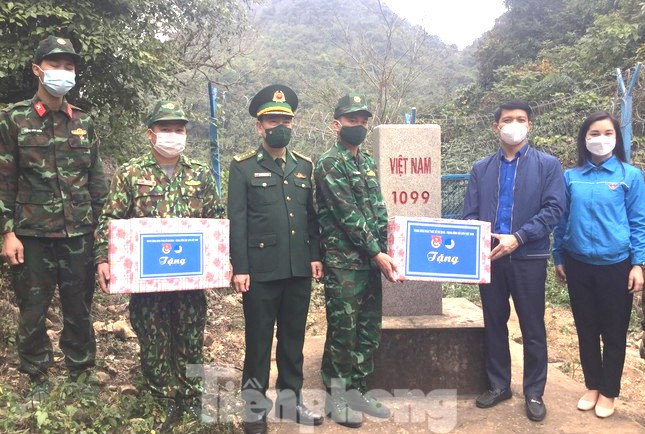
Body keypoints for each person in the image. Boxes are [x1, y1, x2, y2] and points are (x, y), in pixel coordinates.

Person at [94, 100, 223, 430]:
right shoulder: (130, 173)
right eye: (166, 129)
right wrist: (103, 258)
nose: (173, 135)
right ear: (150, 134)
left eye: (179, 130)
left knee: (190, 337)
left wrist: (224, 261)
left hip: (190, 278)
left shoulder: (201, 174)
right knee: (153, 338)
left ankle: (192, 397)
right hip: (146, 278)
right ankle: (163, 398)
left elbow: (216, 221)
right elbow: (110, 218)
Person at [0, 35, 108, 402]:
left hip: (79, 233)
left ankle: (81, 372)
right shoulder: (15, 119)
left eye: (69, 66)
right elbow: (5, 179)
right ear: (37, 70)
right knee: (33, 309)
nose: (63, 71)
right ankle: (36, 376)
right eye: (55, 65)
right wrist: (7, 232)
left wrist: (102, 235)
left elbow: (96, 182)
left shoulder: (83, 122)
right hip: (31, 235)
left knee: (79, 307)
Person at [228, 84, 323, 434]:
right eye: (272, 121)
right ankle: (254, 411)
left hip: (298, 268)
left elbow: (310, 217)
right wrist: (240, 267)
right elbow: (237, 221)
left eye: (285, 120)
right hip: (260, 272)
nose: (279, 127)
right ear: (259, 126)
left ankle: (290, 400)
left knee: (293, 339)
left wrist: (315, 256)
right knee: (258, 342)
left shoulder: (304, 166)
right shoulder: (242, 168)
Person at [462, 100, 565, 422]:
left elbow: (554, 209)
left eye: (521, 119)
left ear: (529, 125)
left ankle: (533, 391)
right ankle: (499, 385)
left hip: (528, 257)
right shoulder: (481, 168)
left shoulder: (548, 165)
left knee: (532, 326)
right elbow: (470, 214)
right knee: (494, 323)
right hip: (491, 258)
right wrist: (477, 242)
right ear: (496, 126)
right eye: (507, 120)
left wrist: (518, 237)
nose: (514, 124)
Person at [552, 111, 645, 418]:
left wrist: (638, 264)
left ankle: (609, 391)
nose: (600, 138)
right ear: (584, 138)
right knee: (586, 328)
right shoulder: (571, 177)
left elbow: (638, 222)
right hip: (578, 263)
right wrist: (559, 256)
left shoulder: (629, 176)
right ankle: (592, 385)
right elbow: (562, 220)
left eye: (607, 133)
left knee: (614, 331)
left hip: (616, 265)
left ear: (616, 138)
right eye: (594, 133)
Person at [314, 92, 398, 428]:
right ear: (337, 124)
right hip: (344, 264)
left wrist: (391, 250)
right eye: (352, 120)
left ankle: (358, 391)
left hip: (371, 261)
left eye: (363, 121)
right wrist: (377, 252)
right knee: (343, 332)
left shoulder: (366, 161)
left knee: (367, 329)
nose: (359, 126)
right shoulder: (329, 163)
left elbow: (378, 209)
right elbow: (348, 215)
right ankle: (336, 397)